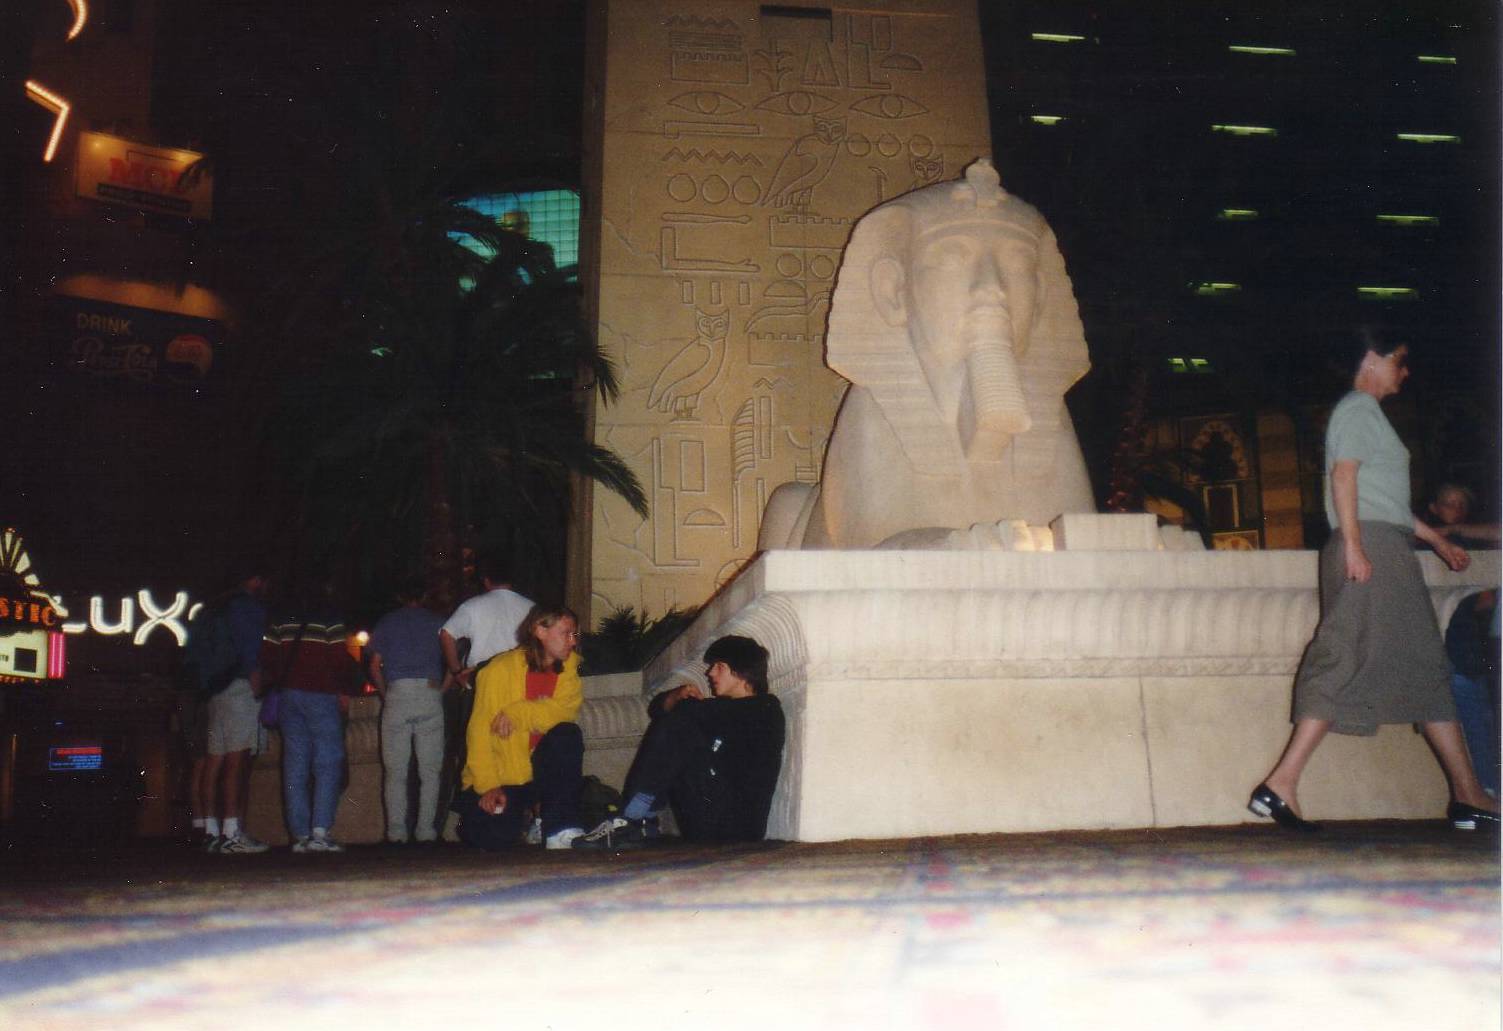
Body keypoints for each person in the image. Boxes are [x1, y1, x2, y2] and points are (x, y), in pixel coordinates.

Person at [759, 158, 1095, 551]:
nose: (992, 286)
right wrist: (958, 547)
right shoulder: (878, 402)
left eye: (1017, 262)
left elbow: (1076, 534)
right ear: (894, 291)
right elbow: (876, 546)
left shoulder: (1045, 408)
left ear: (1039, 297)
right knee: (790, 503)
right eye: (953, 257)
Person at [1249, 333, 1499, 832]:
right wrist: (1356, 546)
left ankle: (1468, 793)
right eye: (1399, 363)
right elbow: (1345, 480)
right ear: (1370, 358)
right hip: (1372, 549)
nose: (1404, 374)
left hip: (1384, 545)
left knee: (1424, 665)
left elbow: (1383, 501)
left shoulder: (1365, 415)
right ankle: (1281, 783)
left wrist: (1437, 540)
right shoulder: (1358, 409)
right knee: (1345, 655)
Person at [574, 635, 785, 850]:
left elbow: (678, 714)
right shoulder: (724, 710)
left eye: (719, 666)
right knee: (678, 725)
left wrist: (676, 701)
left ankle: (632, 819)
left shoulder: (764, 709)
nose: (710, 672)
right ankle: (638, 821)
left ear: (741, 672)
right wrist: (675, 696)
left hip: (738, 827)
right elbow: (657, 711)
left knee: (680, 725)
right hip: (706, 823)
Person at [456, 603, 586, 850]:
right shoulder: (498, 670)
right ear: (540, 631)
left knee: (567, 734)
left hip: (539, 774)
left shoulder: (568, 670)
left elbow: (565, 711)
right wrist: (488, 785)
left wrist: (518, 712)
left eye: (574, 635)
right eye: (566, 633)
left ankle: (557, 827)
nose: (572, 642)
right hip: (504, 775)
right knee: (494, 837)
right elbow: (479, 733)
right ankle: (518, 818)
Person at [436, 556, 535, 838]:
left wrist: (456, 670)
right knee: (520, 752)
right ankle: (523, 815)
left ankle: (478, 812)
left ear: (486, 580)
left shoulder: (473, 605)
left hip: (482, 684)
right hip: (519, 687)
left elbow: (446, 634)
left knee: (475, 749)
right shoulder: (529, 608)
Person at [261, 582, 359, 852]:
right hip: (322, 694)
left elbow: (268, 657)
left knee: (295, 763)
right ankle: (320, 831)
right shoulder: (330, 616)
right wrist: (343, 689)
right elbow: (339, 660)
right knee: (328, 762)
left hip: (289, 696)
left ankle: (300, 834)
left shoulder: (280, 618)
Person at [1418, 483, 1500, 796]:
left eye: (1463, 504)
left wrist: (1456, 528)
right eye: (1449, 503)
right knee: (1466, 691)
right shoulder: (1424, 544)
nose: (1457, 508)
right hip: (1455, 648)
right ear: (1434, 509)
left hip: (1475, 644)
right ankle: (1486, 788)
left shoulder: (1477, 541)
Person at [368, 577, 448, 843]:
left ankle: (396, 831)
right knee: (430, 771)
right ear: (424, 595)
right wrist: (442, 690)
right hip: (429, 692)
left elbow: (374, 666)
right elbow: (452, 662)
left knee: (395, 771)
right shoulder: (437, 622)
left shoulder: (388, 622)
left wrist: (385, 692)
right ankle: (426, 830)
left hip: (397, 692)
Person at [202, 568, 271, 854]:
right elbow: (251, 649)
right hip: (239, 686)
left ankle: (212, 831)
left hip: (215, 689)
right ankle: (232, 831)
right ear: (254, 579)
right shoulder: (247, 607)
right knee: (237, 759)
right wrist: (257, 684)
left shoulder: (215, 608)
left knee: (215, 760)